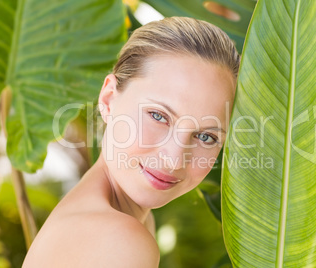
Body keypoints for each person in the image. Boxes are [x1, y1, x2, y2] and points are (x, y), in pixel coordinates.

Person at [22, 16, 240, 267]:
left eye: (206, 136)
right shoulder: (119, 238)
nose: (174, 159)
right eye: (159, 116)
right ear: (108, 99)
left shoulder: (114, 217)